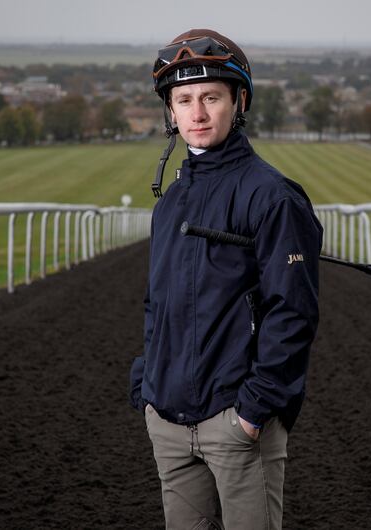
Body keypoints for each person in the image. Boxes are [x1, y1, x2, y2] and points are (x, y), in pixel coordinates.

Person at [129, 29, 323, 530]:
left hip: (237, 424)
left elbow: (293, 313)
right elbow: (157, 302)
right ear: (170, 111)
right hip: (168, 421)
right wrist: (146, 386)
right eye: (184, 100)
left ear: (238, 102)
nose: (197, 113)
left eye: (210, 97)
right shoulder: (169, 202)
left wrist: (253, 411)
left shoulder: (274, 197)